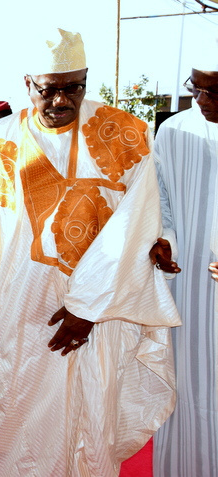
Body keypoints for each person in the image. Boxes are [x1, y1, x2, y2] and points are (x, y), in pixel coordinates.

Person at [0, 28, 180, 475]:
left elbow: (139, 218)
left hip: (103, 306)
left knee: (91, 409)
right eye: (48, 89)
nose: (60, 100)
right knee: (12, 411)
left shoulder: (123, 131)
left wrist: (88, 306)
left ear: (86, 79)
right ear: (27, 84)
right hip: (22, 303)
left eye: (73, 87)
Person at [153, 63, 218, 476]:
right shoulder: (172, 133)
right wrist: (164, 244)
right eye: (197, 88)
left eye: (216, 91)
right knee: (189, 392)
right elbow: (160, 208)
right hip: (188, 292)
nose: (203, 100)